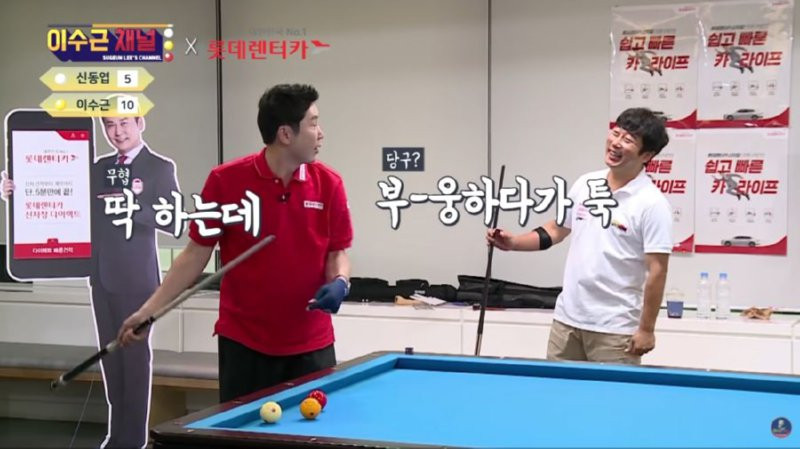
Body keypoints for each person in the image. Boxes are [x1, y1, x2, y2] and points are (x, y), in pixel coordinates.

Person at [117, 84, 353, 403]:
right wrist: (148, 312)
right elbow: (195, 254)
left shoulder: (329, 184)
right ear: (286, 134)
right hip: (245, 346)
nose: (321, 133)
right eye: (313, 123)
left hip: (311, 346)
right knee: (237, 429)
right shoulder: (226, 181)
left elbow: (338, 252)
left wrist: (340, 281)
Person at [3, 115, 180, 449]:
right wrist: (18, 191)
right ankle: (117, 434)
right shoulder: (98, 168)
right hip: (101, 277)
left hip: (138, 281)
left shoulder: (159, 167)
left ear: (140, 123)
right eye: (109, 125)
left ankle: (133, 440)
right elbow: (67, 200)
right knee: (111, 360)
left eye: (124, 123)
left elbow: (173, 220)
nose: (117, 132)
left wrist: (131, 207)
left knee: (134, 361)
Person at [487, 107, 672, 364]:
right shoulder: (586, 184)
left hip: (614, 329)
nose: (616, 143)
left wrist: (647, 329)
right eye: (615, 133)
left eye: (628, 140)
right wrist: (513, 242)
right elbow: (556, 230)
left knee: (608, 392)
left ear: (647, 155)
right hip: (566, 321)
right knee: (557, 388)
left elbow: (657, 270)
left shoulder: (652, 204)